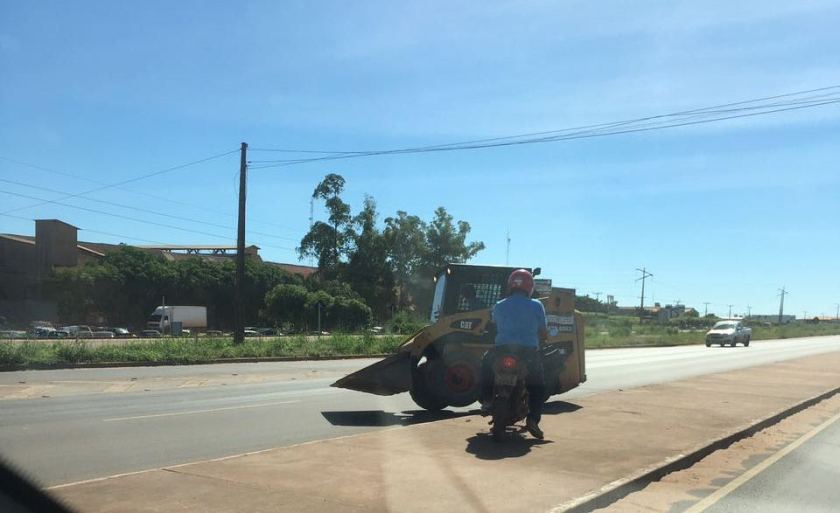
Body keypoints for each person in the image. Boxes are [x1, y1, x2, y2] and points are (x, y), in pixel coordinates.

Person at [480, 269, 548, 439]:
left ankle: (486, 400)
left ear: (511, 285)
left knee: (485, 366)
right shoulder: (537, 305)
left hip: (501, 350)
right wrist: (542, 340)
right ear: (530, 287)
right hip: (527, 353)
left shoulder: (499, 305)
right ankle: (533, 419)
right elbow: (543, 332)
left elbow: (494, 326)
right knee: (538, 386)